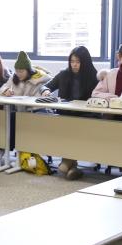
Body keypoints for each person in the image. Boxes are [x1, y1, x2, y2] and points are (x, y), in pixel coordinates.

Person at [46, 46, 99, 180]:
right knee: (65, 126)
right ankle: (72, 165)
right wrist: (45, 91)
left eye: (78, 62)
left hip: (86, 117)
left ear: (85, 62)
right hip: (66, 116)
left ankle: (67, 162)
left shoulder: (93, 76)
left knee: (73, 129)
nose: (74, 65)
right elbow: (46, 86)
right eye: (72, 61)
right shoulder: (64, 74)